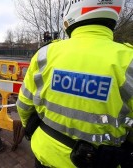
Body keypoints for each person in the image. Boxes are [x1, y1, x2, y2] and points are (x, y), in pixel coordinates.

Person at [16, 1, 133, 168]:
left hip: (46, 156)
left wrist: (34, 130)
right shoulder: (129, 61)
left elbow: (23, 106)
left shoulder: (45, 54)